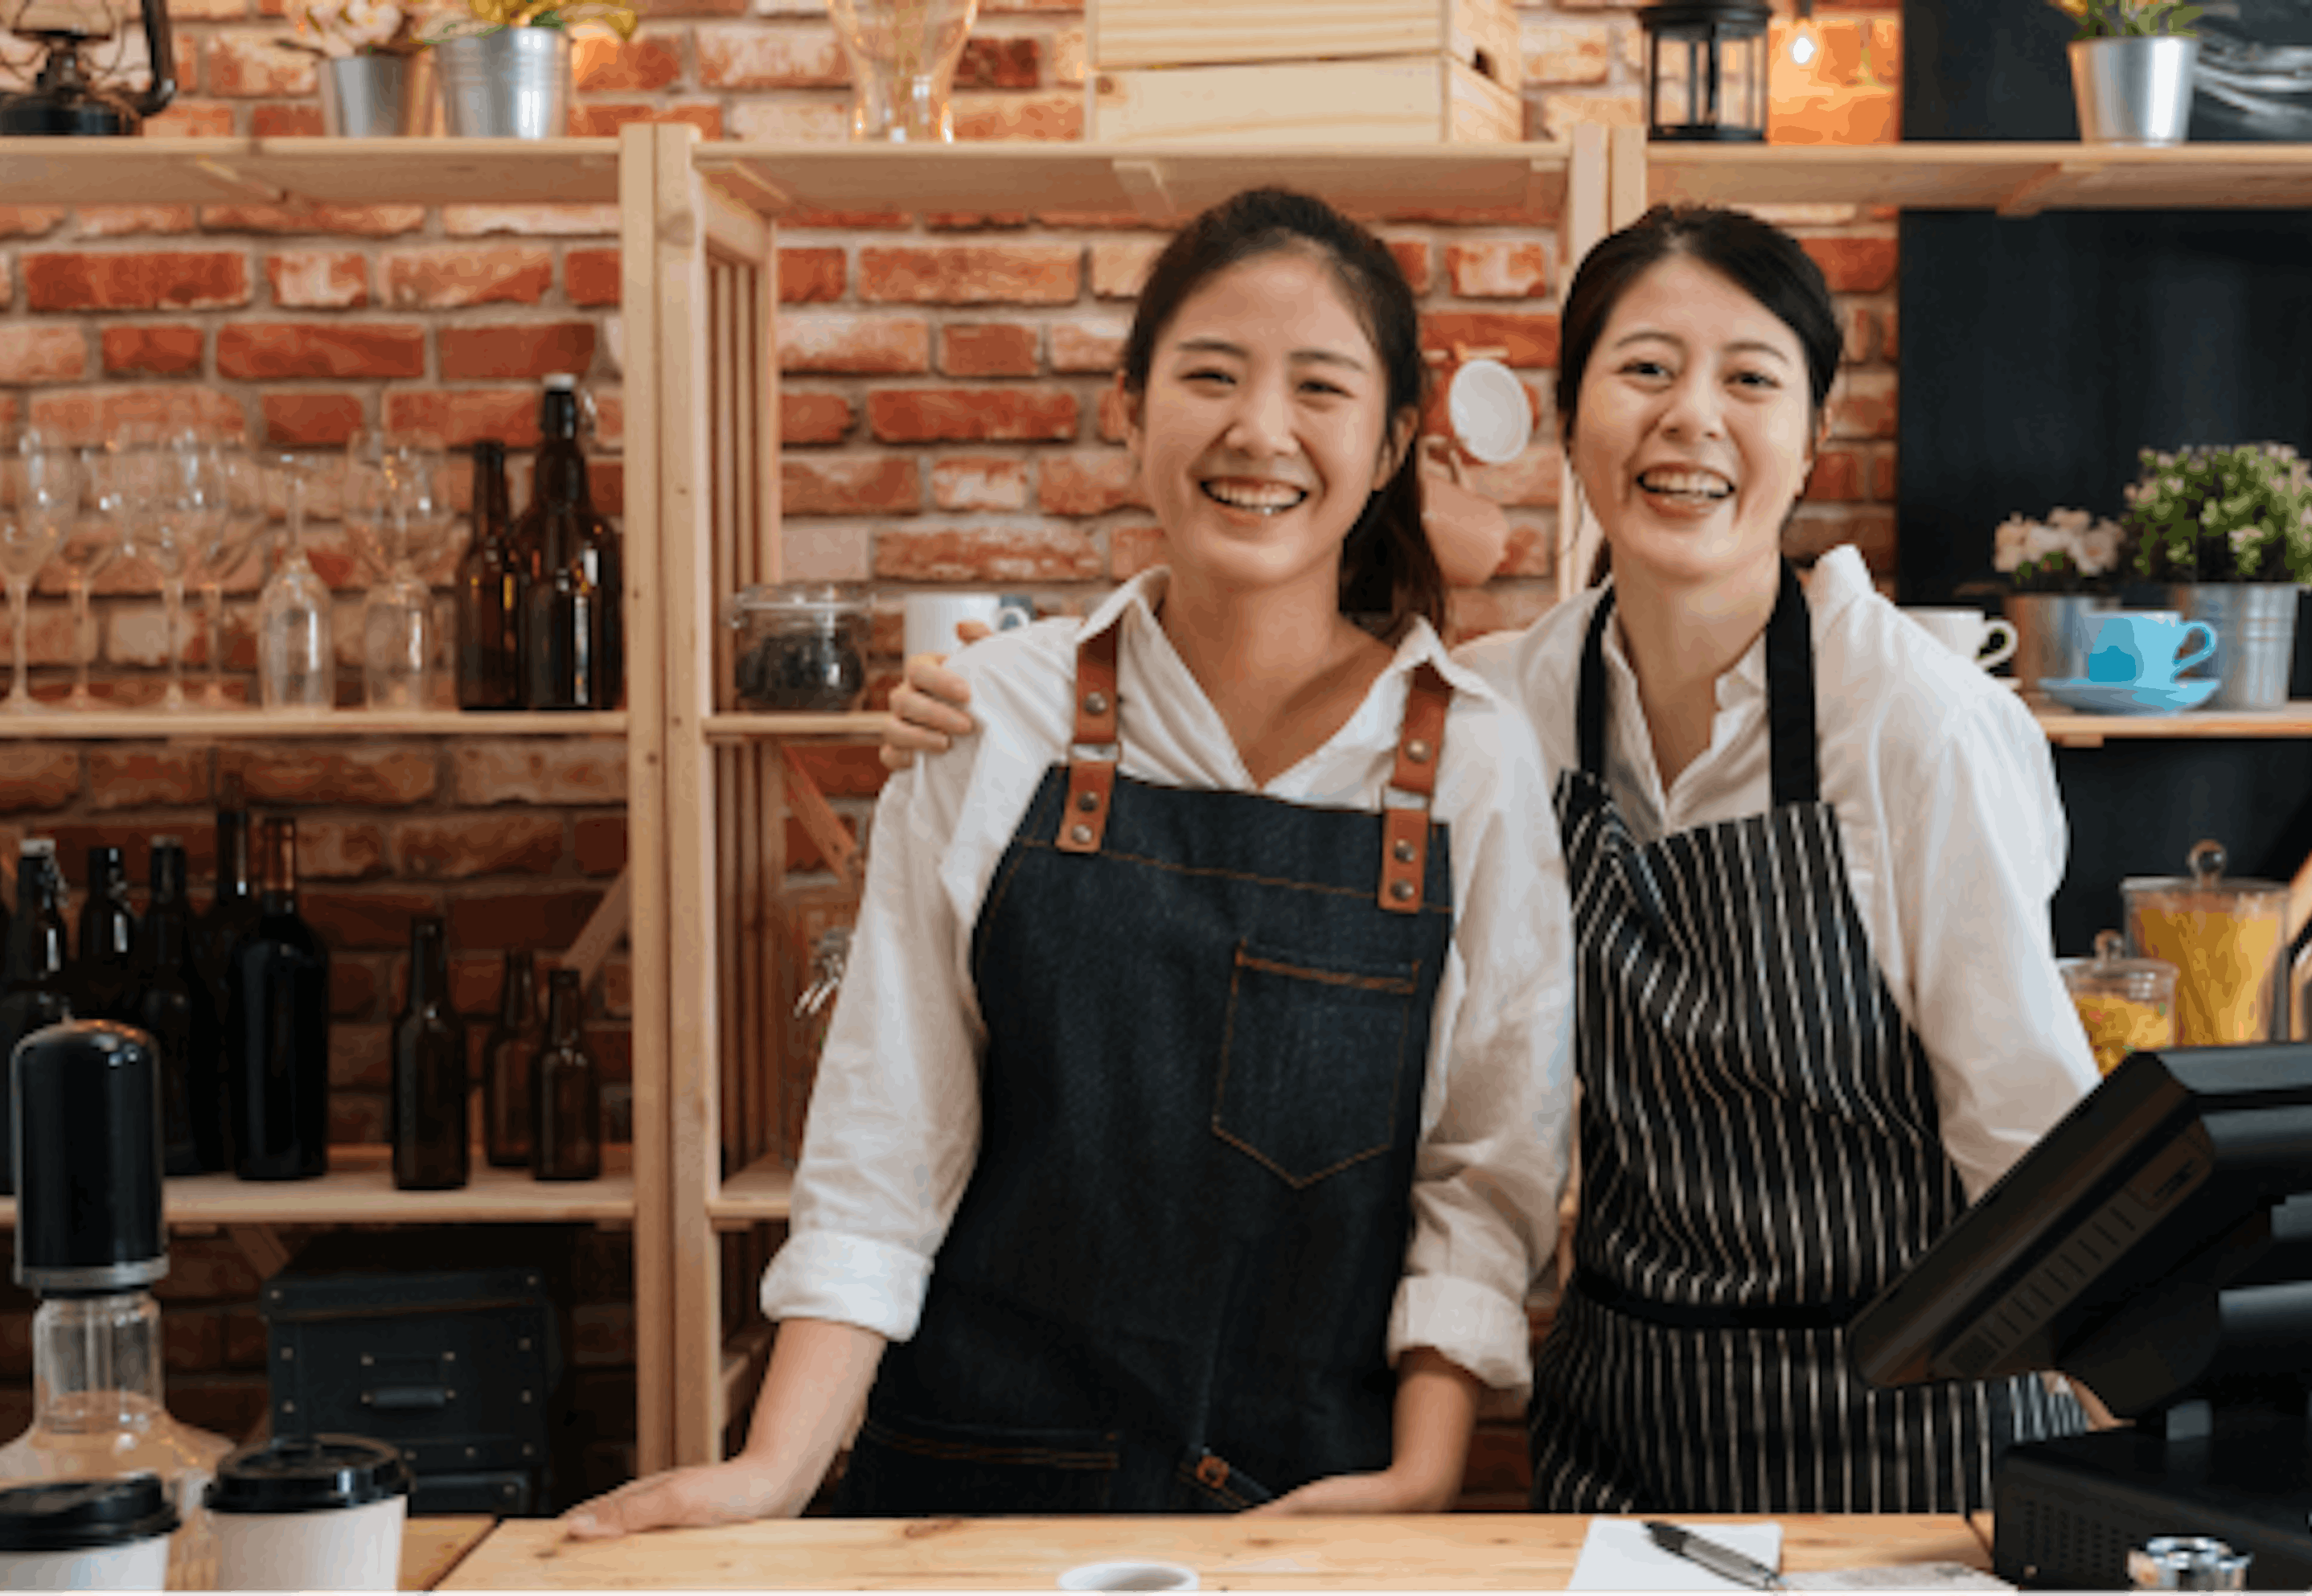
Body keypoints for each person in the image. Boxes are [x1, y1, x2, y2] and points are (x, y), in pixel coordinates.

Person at [881, 203, 2099, 1513]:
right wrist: (986, 710)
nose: (1692, 416)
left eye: (1750, 379)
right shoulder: (1514, 706)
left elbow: (2026, 1125)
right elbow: (1267, 676)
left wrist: (2156, 1436)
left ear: (1810, 441)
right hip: (1632, 1427)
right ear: (1570, 425)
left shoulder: (1920, 726)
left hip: (1911, 1437)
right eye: (1644, 369)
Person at [566, 187, 1574, 1532]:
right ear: (1128, 406)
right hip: (970, 1497)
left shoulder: (1474, 760)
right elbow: (889, 1128)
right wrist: (775, 1471)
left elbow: (1484, 1166)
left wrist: (1423, 1473)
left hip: (1307, 1508)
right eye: (1209, 375)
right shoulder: (996, 716)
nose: (1258, 431)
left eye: (1319, 389)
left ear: (1392, 443)